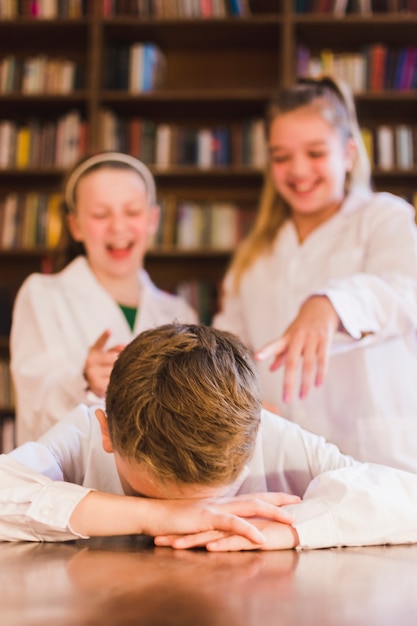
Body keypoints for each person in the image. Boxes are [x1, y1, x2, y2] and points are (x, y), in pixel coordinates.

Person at [1, 322, 417, 551]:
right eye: (151, 497)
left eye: (210, 502)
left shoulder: (262, 429)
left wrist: (291, 531)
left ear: (251, 444)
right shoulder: (84, 429)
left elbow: (405, 499)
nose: (187, 528)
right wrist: (159, 518)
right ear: (107, 431)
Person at [213, 75, 417, 473]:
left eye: (316, 152)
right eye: (281, 156)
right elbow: (230, 345)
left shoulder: (383, 217)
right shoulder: (256, 251)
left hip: (376, 454)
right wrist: (241, 399)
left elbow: (406, 292)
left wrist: (330, 304)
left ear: (349, 153)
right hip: (279, 456)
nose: (298, 170)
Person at [10, 151, 197, 445]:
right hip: (72, 486)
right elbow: (35, 405)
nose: (118, 227)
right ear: (75, 226)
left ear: (152, 219)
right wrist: (84, 379)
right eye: (100, 214)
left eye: (132, 212)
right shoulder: (43, 294)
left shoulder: (179, 312)